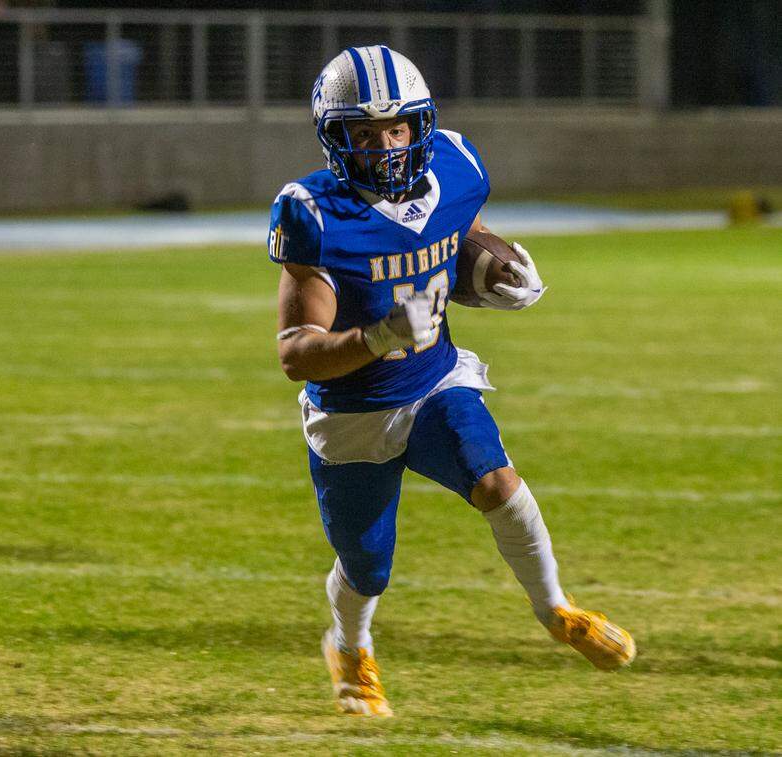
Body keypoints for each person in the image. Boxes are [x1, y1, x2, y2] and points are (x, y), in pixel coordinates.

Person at [269, 46, 636, 717]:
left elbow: (457, 239)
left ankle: (557, 609)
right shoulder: (313, 214)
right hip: (351, 412)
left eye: (398, 128)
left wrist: (495, 273)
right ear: (336, 138)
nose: (386, 146)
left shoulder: (458, 168)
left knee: (496, 478)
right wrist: (378, 336)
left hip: (436, 383)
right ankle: (350, 645)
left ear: (421, 124)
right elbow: (298, 352)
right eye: (365, 133)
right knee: (367, 563)